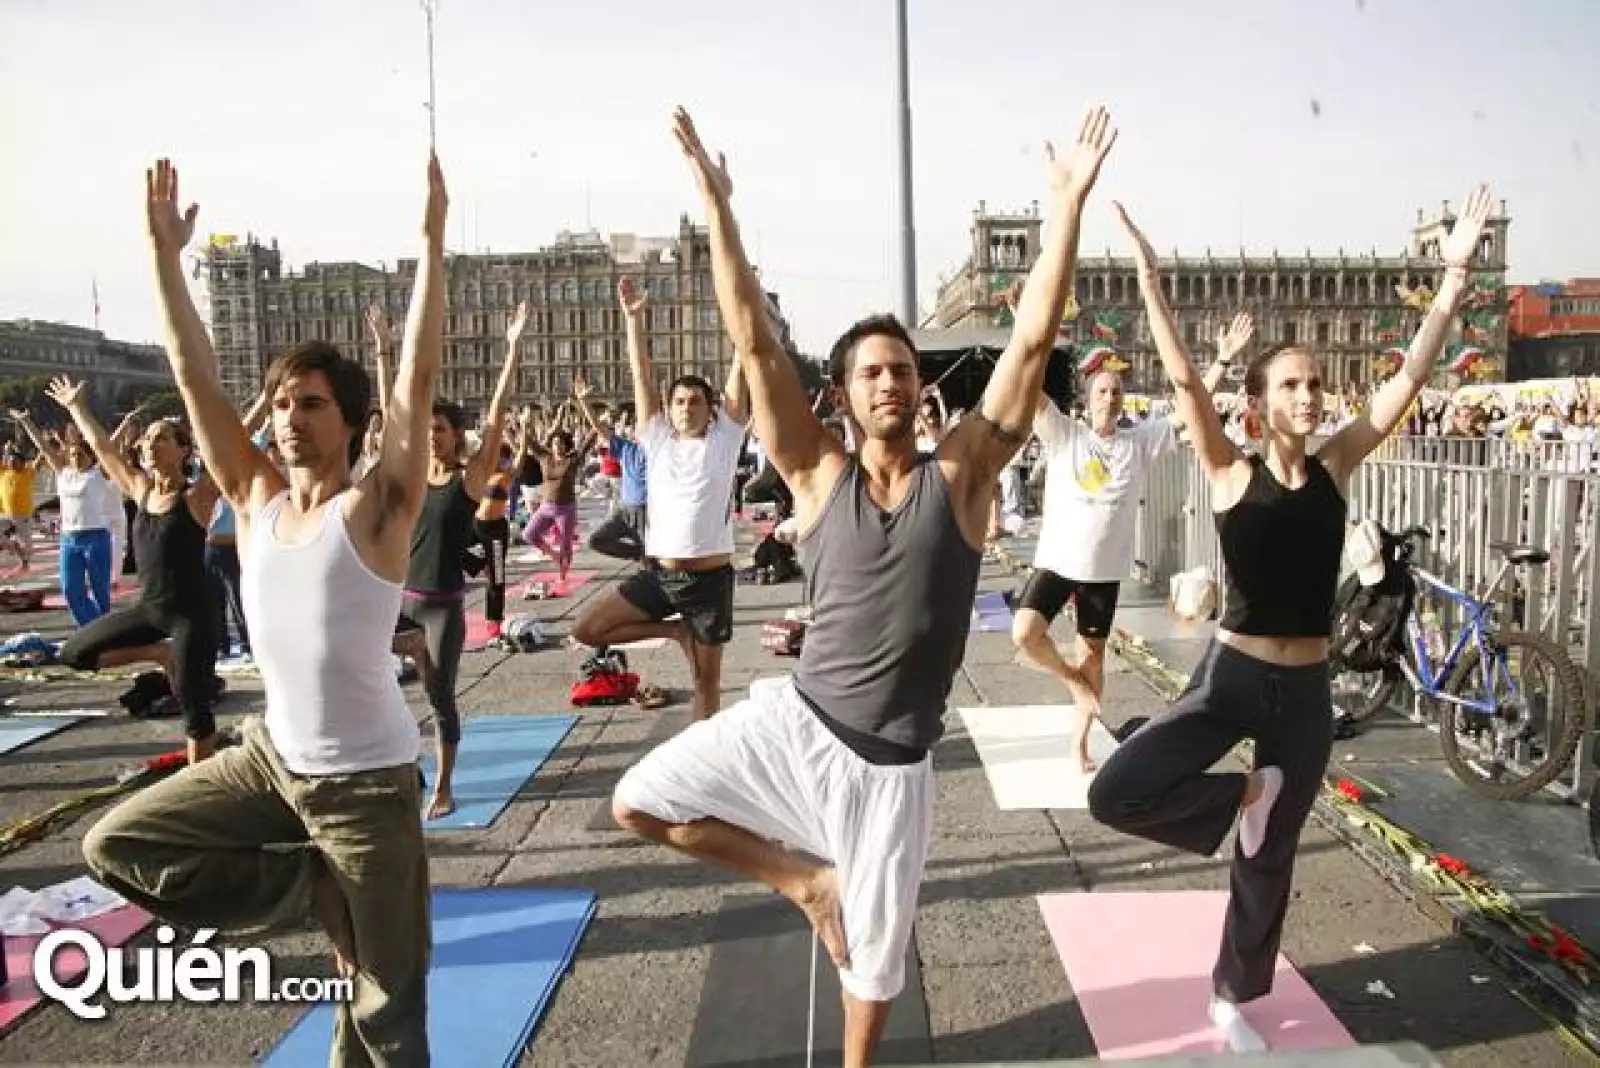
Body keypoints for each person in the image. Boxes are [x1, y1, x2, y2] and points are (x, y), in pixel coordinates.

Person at [611, 104, 1114, 1068]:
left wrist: (1066, 210)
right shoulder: (815, 474)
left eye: (902, 370)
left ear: (919, 391)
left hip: (891, 771)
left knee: (872, 981)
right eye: (870, 372)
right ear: (841, 395)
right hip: (797, 727)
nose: (889, 381)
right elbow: (754, 345)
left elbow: (1030, 339)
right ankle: (806, 885)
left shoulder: (961, 476)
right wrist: (719, 209)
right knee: (639, 802)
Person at [1087, 186, 1495, 1054]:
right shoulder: (1229, 470)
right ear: (1262, 402)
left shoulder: (1340, 463)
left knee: (1269, 859)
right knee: (1117, 789)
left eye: (1316, 384)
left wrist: (1454, 274)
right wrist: (1150, 279)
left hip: (1306, 691)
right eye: (1294, 386)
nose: (1312, 396)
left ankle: (1234, 994)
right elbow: (1186, 380)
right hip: (1231, 679)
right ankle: (1239, 796)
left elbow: (1410, 379)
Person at [83, 152, 449, 1066]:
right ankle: (304, 883)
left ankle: (333, 879)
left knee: (384, 1016)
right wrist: (167, 259)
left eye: (312, 404)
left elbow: (413, 377)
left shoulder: (374, 511)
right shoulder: (251, 500)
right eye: (282, 403)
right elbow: (193, 371)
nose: (289, 418)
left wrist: (433, 247)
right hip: (269, 765)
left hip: (367, 793)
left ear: (351, 422)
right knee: (115, 844)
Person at [1013, 314, 1254, 774]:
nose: (1110, 397)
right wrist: (1028, 329)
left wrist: (1222, 359)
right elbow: (1030, 388)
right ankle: (1072, 683)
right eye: (1102, 391)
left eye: (1117, 392)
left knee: (1094, 657)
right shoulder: (1066, 435)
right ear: (1086, 401)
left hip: (1103, 574)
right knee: (1024, 633)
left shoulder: (1140, 441)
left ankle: (1081, 743)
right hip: (1059, 563)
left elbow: (1189, 407)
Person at [571, 271, 750, 721]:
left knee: (705, 685)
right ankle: (675, 632)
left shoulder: (725, 439)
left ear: (711, 411)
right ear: (667, 410)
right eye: (680, 401)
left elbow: (741, 364)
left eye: (696, 401)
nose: (687, 407)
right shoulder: (656, 438)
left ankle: (698, 769)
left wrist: (742, 314)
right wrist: (633, 320)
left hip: (709, 583)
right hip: (661, 576)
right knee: (587, 629)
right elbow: (641, 374)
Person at [48, 383, 222, 762]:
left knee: (195, 707)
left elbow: (230, 446)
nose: (149, 445)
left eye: (161, 439)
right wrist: (77, 406)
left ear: (184, 450)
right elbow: (105, 450)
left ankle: (200, 789)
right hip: (149, 609)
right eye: (146, 440)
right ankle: (157, 653)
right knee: (73, 652)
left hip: (191, 615)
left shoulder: (197, 496)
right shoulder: (140, 489)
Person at [402, 300, 527, 820]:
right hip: (400, 603)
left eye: (440, 429)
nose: (431, 436)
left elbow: (496, 420)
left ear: (455, 435)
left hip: (441, 607)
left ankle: (444, 786)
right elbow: (396, 411)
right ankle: (399, 771)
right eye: (426, 429)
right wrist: (389, 352)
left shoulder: (468, 477)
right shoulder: (409, 475)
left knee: (439, 698)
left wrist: (512, 347)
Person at [9, 409, 116, 625]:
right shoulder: (63, 473)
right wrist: (26, 422)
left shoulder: (98, 474)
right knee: (70, 590)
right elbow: (43, 447)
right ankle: (87, 628)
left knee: (100, 591)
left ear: (91, 457)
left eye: (81, 455)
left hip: (96, 538)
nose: (75, 458)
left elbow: (107, 447)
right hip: (69, 540)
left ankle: (102, 630)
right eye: (73, 455)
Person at [520, 396, 594, 588]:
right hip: (546, 507)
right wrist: (524, 423)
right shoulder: (544, 457)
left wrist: (594, 420)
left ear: (566, 445)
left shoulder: (572, 459)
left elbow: (588, 441)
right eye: (554, 443)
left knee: (566, 544)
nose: (557, 446)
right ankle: (553, 555)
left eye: (561, 443)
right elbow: (527, 441)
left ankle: (562, 571)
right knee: (528, 534)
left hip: (565, 508)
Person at [574, 378, 647, 561]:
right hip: (624, 511)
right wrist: (584, 402)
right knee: (595, 540)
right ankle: (639, 554)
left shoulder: (662, 451)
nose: (639, 430)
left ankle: (647, 559)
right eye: (637, 427)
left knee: (653, 567)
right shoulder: (626, 448)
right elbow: (599, 428)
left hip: (647, 514)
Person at [0, 440, 40, 573]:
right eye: (10, 460)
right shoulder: (4, 472)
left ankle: (25, 564)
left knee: (27, 545)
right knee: (11, 541)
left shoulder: (28, 473)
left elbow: (38, 462)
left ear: (22, 463)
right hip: (5, 514)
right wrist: (7, 449)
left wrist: (42, 449)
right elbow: (5, 458)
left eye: (15, 461)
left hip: (23, 515)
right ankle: (12, 545)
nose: (11, 462)